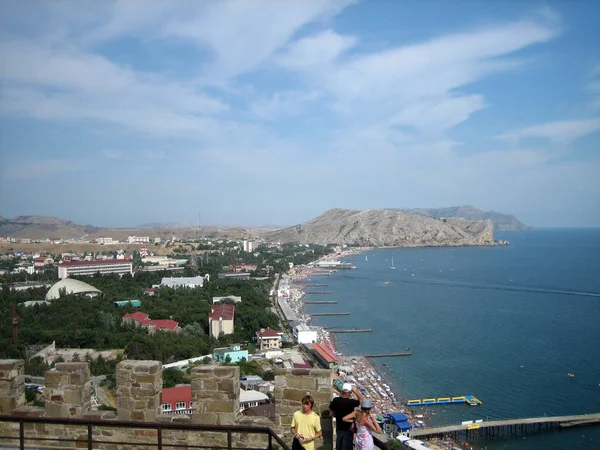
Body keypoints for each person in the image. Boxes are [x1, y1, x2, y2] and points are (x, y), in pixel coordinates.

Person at [329, 382, 364, 450]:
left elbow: (331, 413)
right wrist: (354, 390)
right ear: (350, 392)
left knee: (339, 446)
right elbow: (361, 399)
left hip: (339, 427)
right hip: (348, 428)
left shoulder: (336, 400)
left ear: (342, 391)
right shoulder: (351, 402)